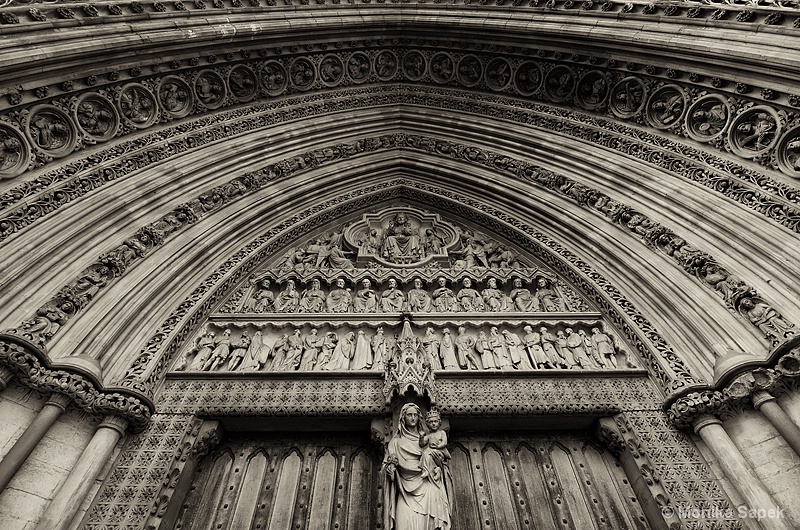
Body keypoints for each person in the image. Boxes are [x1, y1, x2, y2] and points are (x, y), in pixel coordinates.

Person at [383, 403, 451, 530]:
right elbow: (387, 464)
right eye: (409, 415)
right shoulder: (395, 443)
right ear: (403, 418)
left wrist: (439, 466)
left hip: (429, 488)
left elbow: (443, 464)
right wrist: (390, 469)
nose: (413, 418)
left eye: (415, 415)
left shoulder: (428, 439)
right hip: (405, 492)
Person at [418, 410, 451, 483]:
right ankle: (428, 470)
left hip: (440, 452)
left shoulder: (441, 432)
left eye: (435, 421)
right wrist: (421, 437)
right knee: (425, 454)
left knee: (431, 455)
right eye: (431, 422)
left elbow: (444, 442)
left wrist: (438, 446)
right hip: (431, 451)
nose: (433, 424)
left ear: (439, 423)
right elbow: (422, 444)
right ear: (427, 424)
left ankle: (438, 470)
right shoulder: (429, 435)